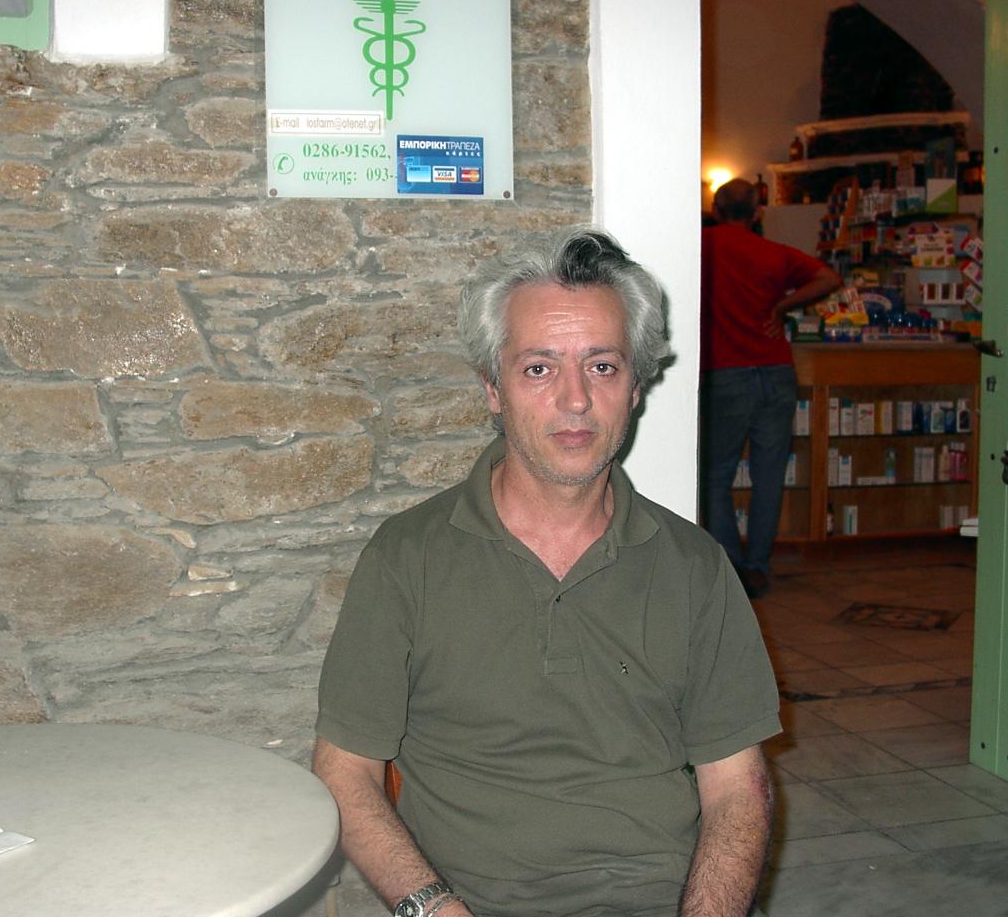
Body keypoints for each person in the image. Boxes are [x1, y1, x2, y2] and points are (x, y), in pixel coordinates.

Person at [313, 228, 781, 917]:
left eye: (602, 366)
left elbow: (738, 789)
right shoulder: (406, 557)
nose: (575, 400)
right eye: (539, 368)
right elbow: (345, 773)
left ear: (636, 387)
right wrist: (435, 910)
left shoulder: (695, 567)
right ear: (492, 389)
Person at [700, 179, 840, 599]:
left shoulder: (703, 245)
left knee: (714, 478)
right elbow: (828, 277)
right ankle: (758, 566)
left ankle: (730, 567)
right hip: (777, 371)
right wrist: (782, 306)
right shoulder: (774, 252)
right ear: (757, 212)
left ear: (716, 208)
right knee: (769, 477)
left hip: (725, 372)